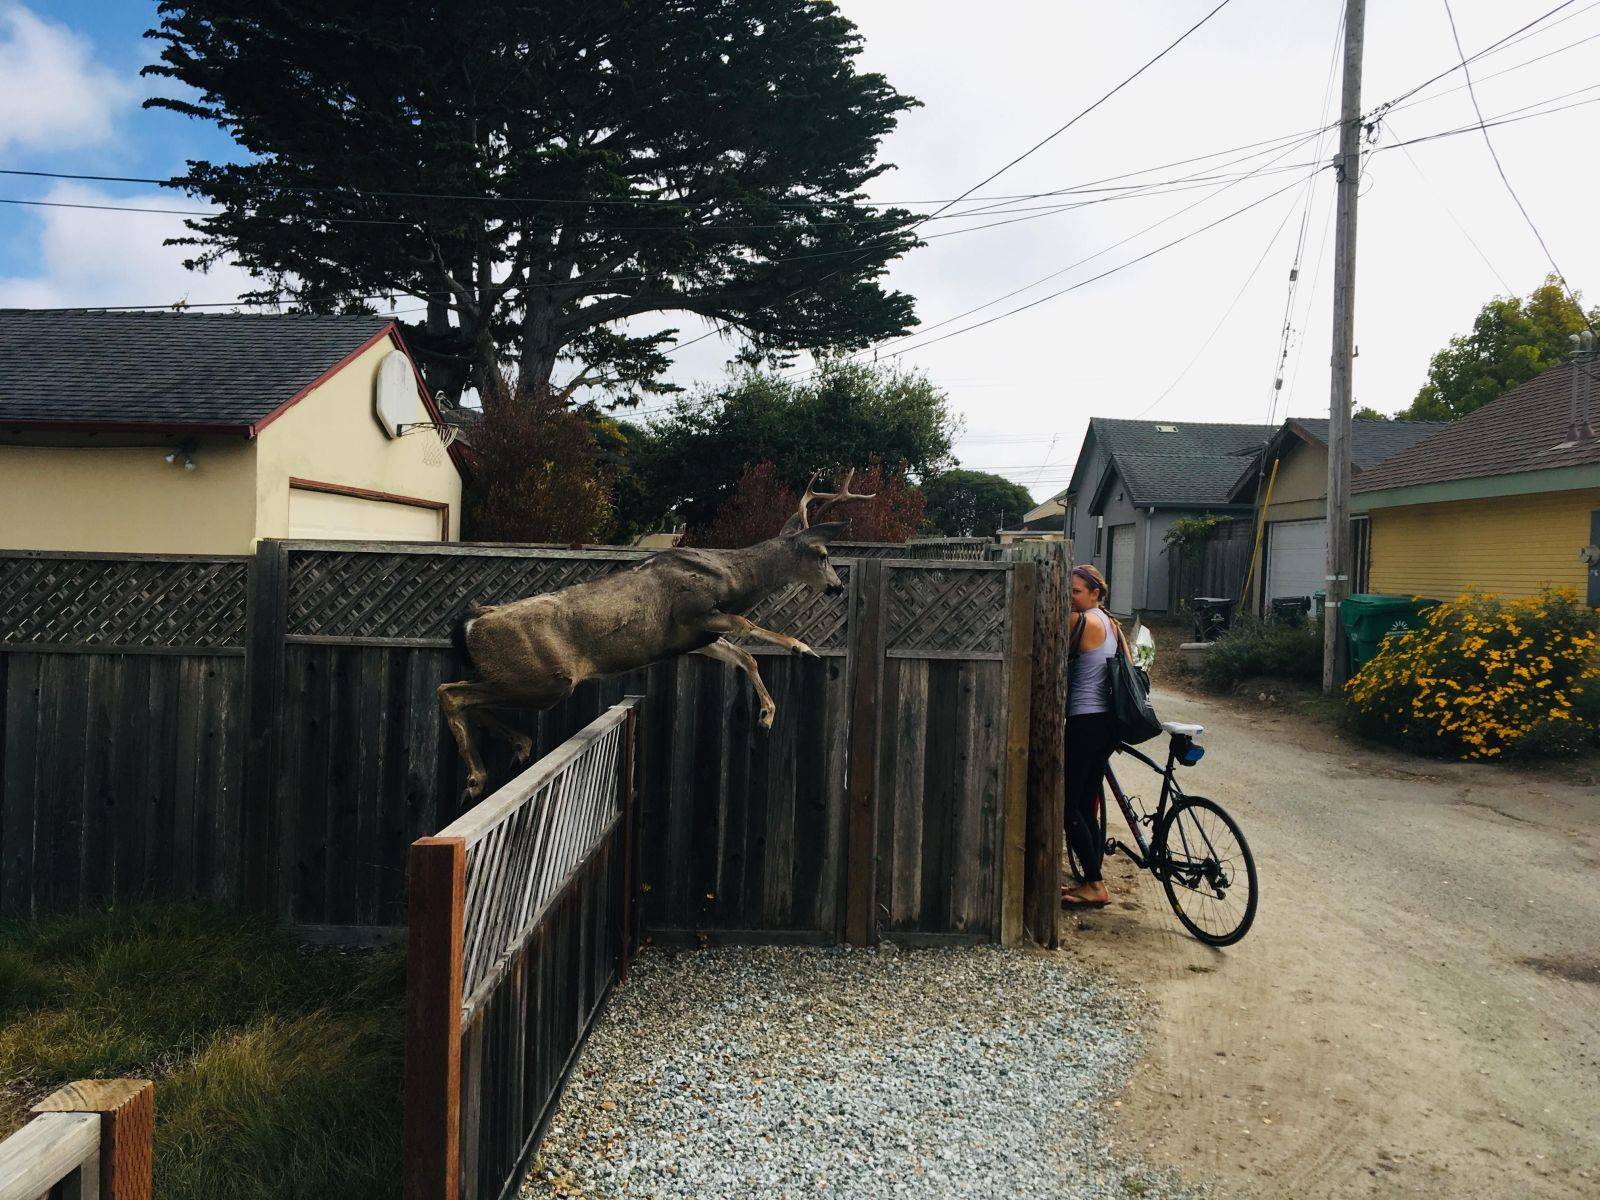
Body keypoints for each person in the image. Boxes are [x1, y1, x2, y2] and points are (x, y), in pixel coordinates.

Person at [1063, 564, 1119, 907]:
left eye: (1075, 592)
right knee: (1085, 803)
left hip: (1085, 721)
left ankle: (1095, 885)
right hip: (1106, 723)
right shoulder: (1111, 622)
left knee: (1067, 805)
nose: (1069, 598)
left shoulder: (1081, 622)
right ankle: (1091, 878)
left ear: (1095, 593)